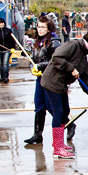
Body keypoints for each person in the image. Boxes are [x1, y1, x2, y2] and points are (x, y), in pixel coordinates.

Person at [38, 28, 88, 159]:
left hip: (61, 85)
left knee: (65, 111)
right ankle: (57, 148)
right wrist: (71, 68)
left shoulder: (83, 56)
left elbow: (85, 78)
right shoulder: (73, 45)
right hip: (52, 81)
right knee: (58, 112)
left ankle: (60, 144)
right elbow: (56, 57)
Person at [24, 17, 62, 145]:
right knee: (39, 105)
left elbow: (55, 60)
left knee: (51, 107)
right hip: (40, 77)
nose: (39, 29)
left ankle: (68, 124)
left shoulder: (54, 42)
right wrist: (33, 67)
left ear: (49, 29)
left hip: (50, 79)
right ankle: (37, 134)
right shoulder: (37, 42)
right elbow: (34, 59)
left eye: (42, 27)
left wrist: (39, 66)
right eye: (38, 27)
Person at [0, 17, 17, 83]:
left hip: (7, 50)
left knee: (5, 63)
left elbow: (13, 40)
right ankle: (2, 77)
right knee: (1, 64)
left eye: (2, 22)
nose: (1, 24)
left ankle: (6, 77)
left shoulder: (8, 31)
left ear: (4, 23)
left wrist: (13, 48)